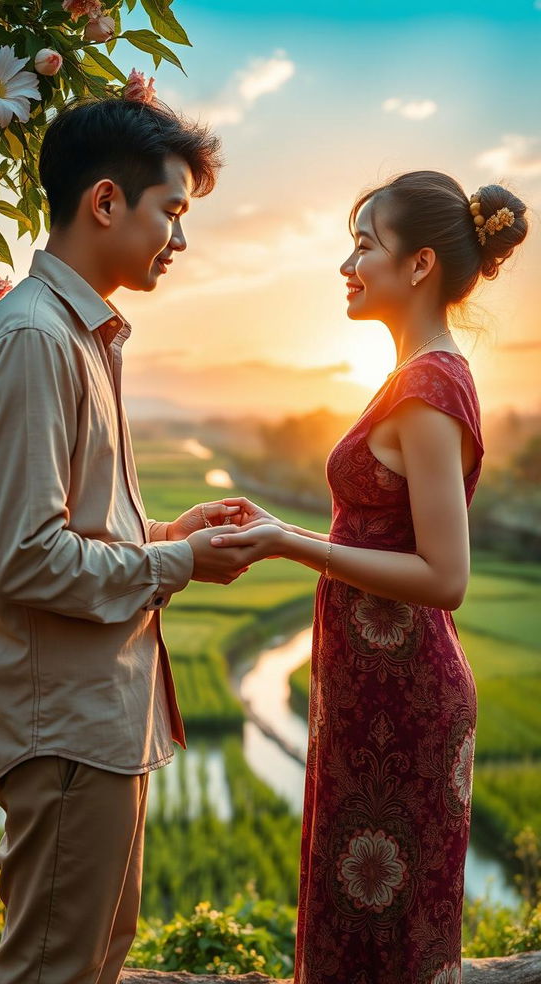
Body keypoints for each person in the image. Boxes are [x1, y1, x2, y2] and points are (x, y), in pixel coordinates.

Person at [0, 93, 249, 984]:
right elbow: (24, 557)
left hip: (98, 724)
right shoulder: (37, 340)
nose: (181, 242)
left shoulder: (80, 336)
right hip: (67, 728)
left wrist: (168, 533)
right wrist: (178, 562)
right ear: (107, 202)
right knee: (54, 971)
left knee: (90, 966)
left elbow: (80, 528)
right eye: (174, 213)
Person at [210, 171, 528, 983]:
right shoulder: (415, 376)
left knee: (382, 950)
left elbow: (444, 574)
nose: (346, 265)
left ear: (419, 265)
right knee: (358, 936)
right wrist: (283, 531)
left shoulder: (427, 390)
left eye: (363, 246)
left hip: (404, 703)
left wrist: (289, 543)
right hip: (372, 694)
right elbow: (380, 534)